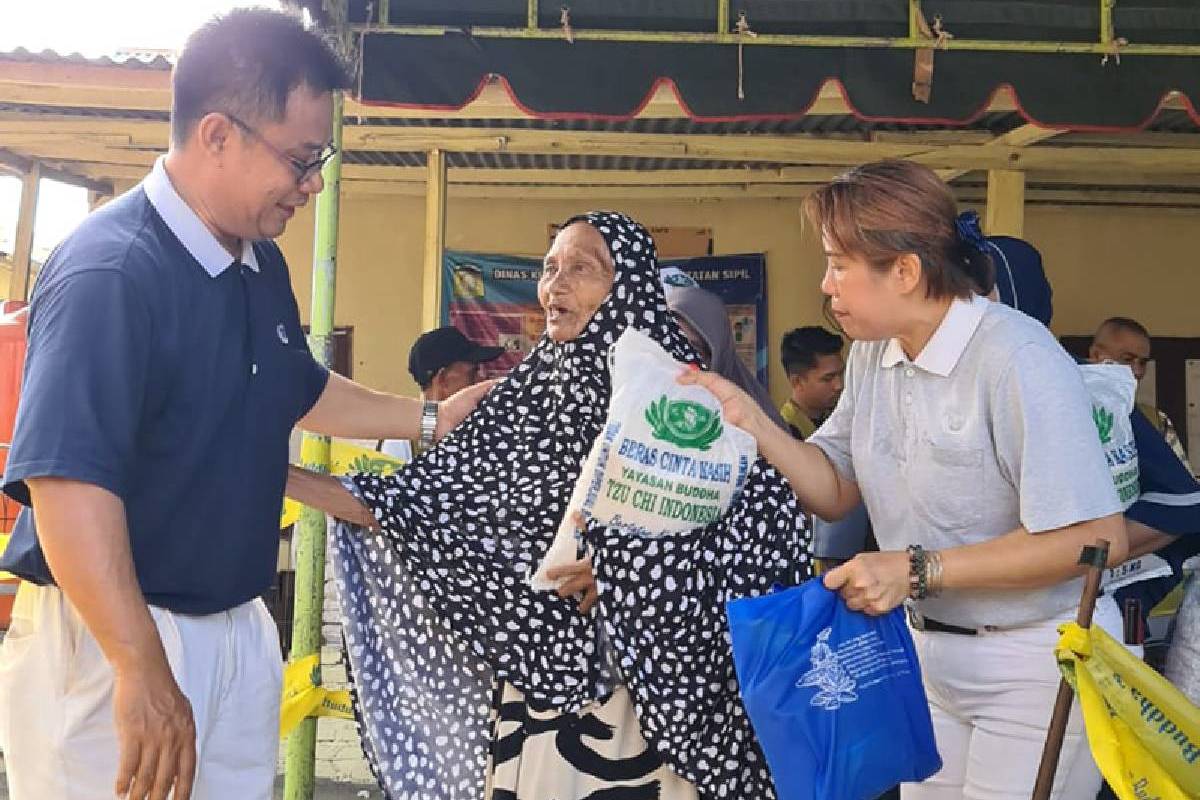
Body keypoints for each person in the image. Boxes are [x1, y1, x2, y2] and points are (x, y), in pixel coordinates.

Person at [0, 11, 489, 800]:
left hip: (230, 629)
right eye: (301, 160)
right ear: (218, 134)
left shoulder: (257, 262)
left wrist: (429, 418)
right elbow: (66, 484)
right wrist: (139, 666)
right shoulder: (113, 271)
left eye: (319, 158)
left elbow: (296, 385)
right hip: (115, 641)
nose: (314, 183)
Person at [287, 212, 811, 800]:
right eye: (549, 267)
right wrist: (274, 474)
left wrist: (623, 566)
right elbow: (421, 504)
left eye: (581, 269)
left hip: (654, 710)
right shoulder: (523, 397)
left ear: (630, 285)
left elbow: (770, 525)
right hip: (540, 702)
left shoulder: (684, 398)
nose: (554, 286)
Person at [682, 160, 1130, 800]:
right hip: (923, 657)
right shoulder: (873, 353)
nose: (825, 284)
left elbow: (1095, 537)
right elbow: (835, 487)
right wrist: (751, 418)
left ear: (906, 270)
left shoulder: (1017, 358)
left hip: (1032, 661)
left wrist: (917, 570)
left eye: (839, 264)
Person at [663, 279, 784, 427]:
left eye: (692, 348)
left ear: (718, 352)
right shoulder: (650, 406)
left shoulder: (758, 421)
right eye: (670, 346)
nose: (679, 356)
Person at [377, 326, 503, 461]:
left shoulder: (483, 430)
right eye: (472, 374)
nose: (481, 380)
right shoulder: (401, 441)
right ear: (443, 379)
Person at [1089, 316, 1189, 467]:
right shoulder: (1069, 412)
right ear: (1096, 355)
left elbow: (1181, 484)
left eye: (1142, 363)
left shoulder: (1156, 422)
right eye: (1127, 359)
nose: (1137, 371)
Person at [779, 326, 845, 440]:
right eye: (828, 378)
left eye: (841, 373)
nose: (839, 385)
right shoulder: (786, 432)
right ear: (797, 382)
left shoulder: (839, 415)